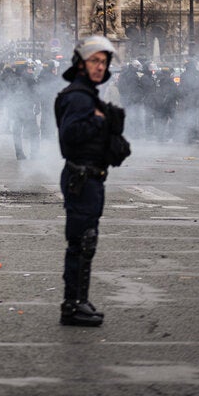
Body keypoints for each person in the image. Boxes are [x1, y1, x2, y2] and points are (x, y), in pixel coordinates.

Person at [54, 36, 130, 327]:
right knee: (82, 242)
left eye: (104, 62)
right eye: (94, 61)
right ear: (81, 64)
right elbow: (70, 135)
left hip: (89, 176)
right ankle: (73, 304)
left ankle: (78, 300)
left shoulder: (87, 94)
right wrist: (99, 120)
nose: (100, 67)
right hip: (82, 177)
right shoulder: (79, 97)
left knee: (85, 241)